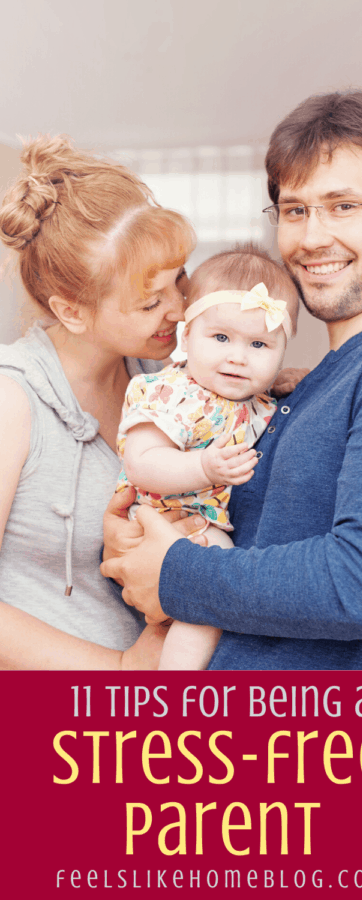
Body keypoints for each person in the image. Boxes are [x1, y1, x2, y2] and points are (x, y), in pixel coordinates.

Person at [102, 89, 362, 671]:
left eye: (343, 206)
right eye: (294, 209)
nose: (312, 237)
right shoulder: (290, 390)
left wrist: (174, 573)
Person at [0, 133, 201, 670]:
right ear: (71, 312)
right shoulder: (11, 399)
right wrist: (118, 672)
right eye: (149, 301)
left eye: (178, 281)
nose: (179, 309)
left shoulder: (158, 379)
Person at [115, 247, 300, 669]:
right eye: (220, 338)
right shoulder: (169, 391)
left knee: (214, 590)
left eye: (259, 344)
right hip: (159, 518)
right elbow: (141, 461)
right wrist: (202, 467)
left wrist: (293, 380)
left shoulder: (258, 402)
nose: (237, 356)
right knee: (211, 594)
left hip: (198, 523)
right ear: (185, 336)